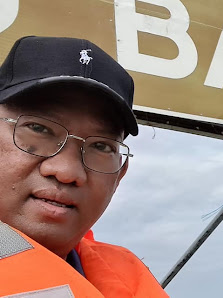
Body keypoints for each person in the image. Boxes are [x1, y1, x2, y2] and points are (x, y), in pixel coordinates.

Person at [0, 36, 168, 297]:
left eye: (102, 146)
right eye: (37, 128)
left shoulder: (129, 280)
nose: (67, 172)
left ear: (120, 175)